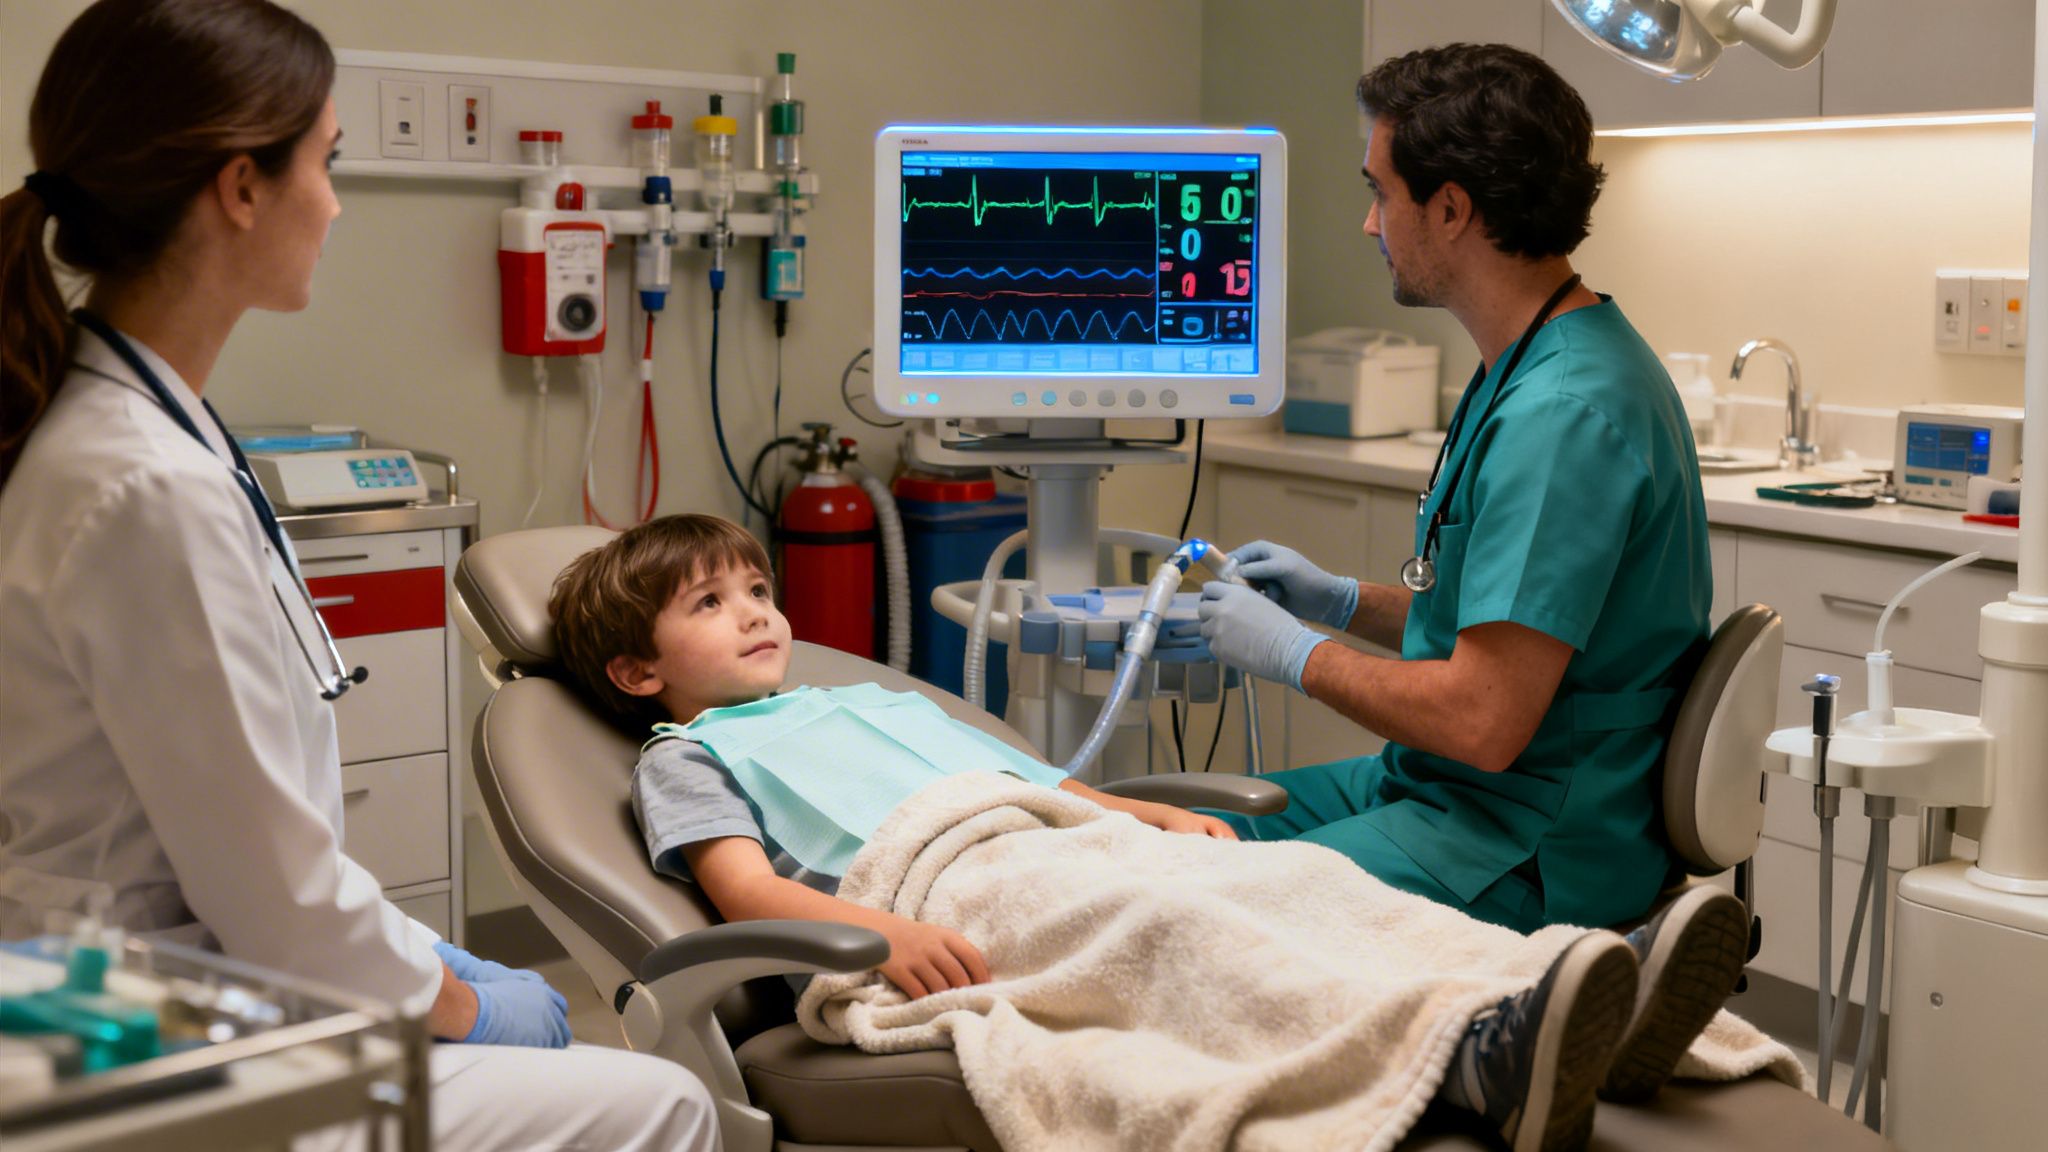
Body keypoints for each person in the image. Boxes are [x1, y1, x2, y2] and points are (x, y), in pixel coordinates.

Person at [0, 3, 714, 1148]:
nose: (334, 205)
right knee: (659, 1101)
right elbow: (275, 905)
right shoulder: (142, 488)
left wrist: (422, 968)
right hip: (125, 1022)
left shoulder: (132, 426)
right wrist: (467, 1003)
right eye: (324, 165)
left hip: (135, 974)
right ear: (241, 187)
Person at [548, 513, 1757, 1152]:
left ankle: (1557, 988)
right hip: (950, 887)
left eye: (755, 587)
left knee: (1279, 883)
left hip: (1044, 835)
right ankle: (1466, 1057)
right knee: (1173, 923)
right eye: (709, 605)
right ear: (636, 672)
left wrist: (1136, 810)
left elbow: (1021, 774)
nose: (755, 612)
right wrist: (875, 933)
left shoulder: (860, 695)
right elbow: (744, 888)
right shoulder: (691, 756)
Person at [1194, 44, 1713, 935]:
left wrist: (1295, 653)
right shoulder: (1538, 357)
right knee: (1153, 826)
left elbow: (1483, 718)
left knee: (1199, 906)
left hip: (1527, 845)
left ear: (1449, 208)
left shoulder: (1561, 414)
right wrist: (1343, 600)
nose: (1369, 225)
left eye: (1378, 193)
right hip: (1449, 793)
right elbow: (1511, 630)